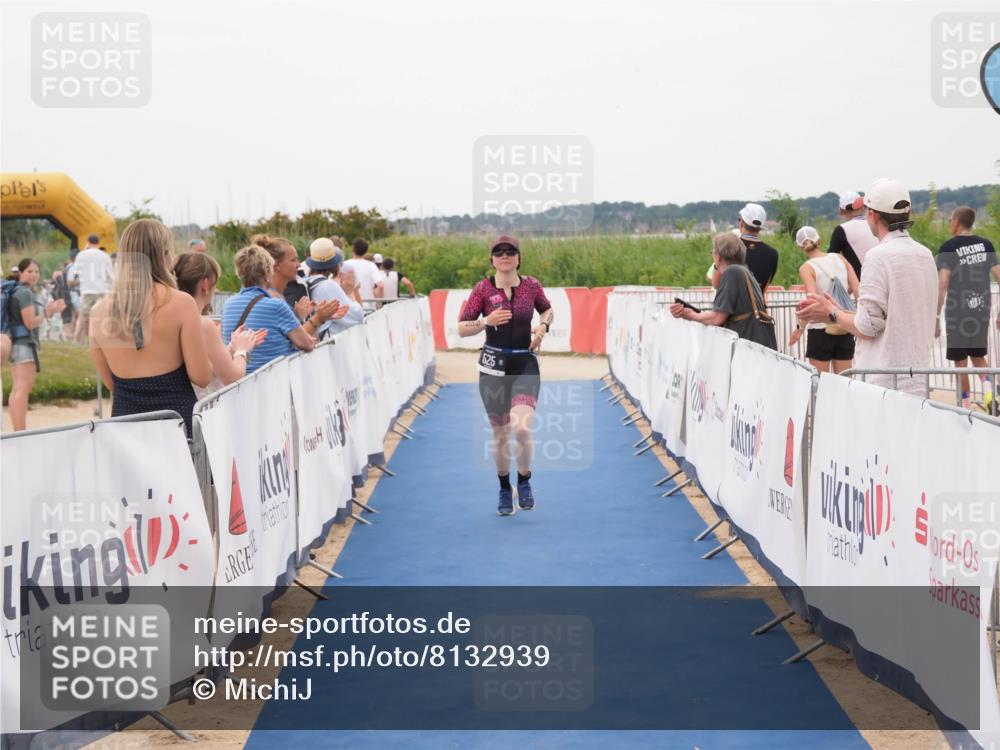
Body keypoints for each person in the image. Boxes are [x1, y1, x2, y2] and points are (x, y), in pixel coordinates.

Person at [797, 178, 937, 396]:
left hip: (883, 381)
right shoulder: (925, 254)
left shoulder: (878, 256)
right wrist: (839, 311)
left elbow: (867, 326)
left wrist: (831, 313)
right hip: (918, 376)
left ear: (873, 215)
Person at [458, 235, 554, 516]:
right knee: (500, 433)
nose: (504, 256)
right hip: (493, 367)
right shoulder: (482, 289)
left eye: (510, 252)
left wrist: (542, 328)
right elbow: (463, 327)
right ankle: (504, 487)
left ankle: (524, 480)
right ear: (492, 260)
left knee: (521, 427)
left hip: (524, 363)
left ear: (518, 258)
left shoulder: (531, 286)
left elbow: (547, 309)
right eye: (498, 253)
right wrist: (486, 321)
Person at [89, 220, 212, 436]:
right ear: (164, 254)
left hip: (126, 426)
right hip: (177, 425)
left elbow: (112, 384)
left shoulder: (98, 311)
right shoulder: (181, 303)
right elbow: (201, 377)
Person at [221, 244, 341, 374]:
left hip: (241, 382)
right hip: (276, 380)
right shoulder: (276, 305)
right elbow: (307, 344)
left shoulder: (228, 305)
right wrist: (316, 321)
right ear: (267, 274)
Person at [173, 252, 267, 399]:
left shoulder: (171, 319)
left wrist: (231, 347)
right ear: (205, 285)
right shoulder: (202, 324)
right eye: (214, 284)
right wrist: (242, 351)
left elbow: (205, 366)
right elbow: (233, 378)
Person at [936, 206, 1000, 410]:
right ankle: (990, 395)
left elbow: (943, 283)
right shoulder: (986, 245)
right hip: (981, 310)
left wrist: (936, 317)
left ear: (956, 221)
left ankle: (963, 405)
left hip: (957, 313)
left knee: (960, 363)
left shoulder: (948, 247)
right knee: (979, 357)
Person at [670, 233, 777, 350]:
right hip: (757, 345)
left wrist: (691, 315)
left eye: (713, 253)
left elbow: (717, 317)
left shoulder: (732, 272)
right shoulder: (744, 271)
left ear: (719, 257)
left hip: (747, 346)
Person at [788, 226, 860, 374]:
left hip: (820, 329)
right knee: (845, 382)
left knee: (819, 383)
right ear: (819, 240)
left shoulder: (807, 268)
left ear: (800, 247)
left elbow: (812, 302)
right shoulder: (840, 258)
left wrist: (799, 329)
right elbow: (858, 289)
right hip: (845, 325)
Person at [5, 258, 67, 431]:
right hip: (24, 345)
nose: (34, 275)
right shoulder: (25, 293)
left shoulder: (17, 290)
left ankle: (18, 430)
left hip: (17, 344)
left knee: (18, 388)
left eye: (36, 272)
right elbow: (30, 323)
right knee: (22, 388)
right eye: (30, 271)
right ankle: (20, 431)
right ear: (21, 273)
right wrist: (50, 311)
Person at [301, 238, 361, 338]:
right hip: (329, 343)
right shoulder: (328, 285)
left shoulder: (307, 280)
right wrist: (350, 292)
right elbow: (356, 316)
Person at [72, 234, 114, 343]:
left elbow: (76, 273)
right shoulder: (105, 256)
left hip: (87, 289)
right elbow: (111, 275)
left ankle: (77, 339)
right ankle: (101, 340)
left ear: (88, 242)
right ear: (98, 243)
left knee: (83, 316)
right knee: (101, 316)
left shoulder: (81, 255)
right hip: (102, 289)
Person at [828, 190, 878, 280]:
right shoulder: (877, 225)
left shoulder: (841, 230)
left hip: (860, 286)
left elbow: (830, 261)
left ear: (841, 211)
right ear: (862, 206)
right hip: (883, 281)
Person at [736, 203, 779, 294]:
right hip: (758, 306)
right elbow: (765, 287)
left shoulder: (731, 247)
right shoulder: (772, 253)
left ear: (742, 222)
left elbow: (716, 282)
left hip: (732, 306)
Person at [342, 239, 380, 307]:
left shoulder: (344, 264)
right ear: (366, 251)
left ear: (353, 248)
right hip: (369, 305)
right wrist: (378, 302)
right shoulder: (372, 266)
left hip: (350, 305)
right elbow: (380, 285)